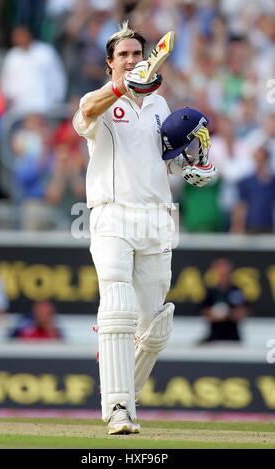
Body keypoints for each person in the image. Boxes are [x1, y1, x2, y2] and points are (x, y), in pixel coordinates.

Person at [73, 22, 217, 435]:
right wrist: (121, 88)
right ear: (110, 63)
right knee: (117, 307)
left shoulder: (160, 105)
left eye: (138, 54)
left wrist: (194, 165)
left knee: (154, 328)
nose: (134, 60)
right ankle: (118, 408)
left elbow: (165, 159)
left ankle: (123, 390)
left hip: (155, 218)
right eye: (124, 56)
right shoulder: (97, 98)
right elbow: (85, 116)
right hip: (111, 214)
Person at [199, 258, 248, 343]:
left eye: (224, 267)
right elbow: (205, 313)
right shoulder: (211, 291)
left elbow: (241, 313)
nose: (222, 271)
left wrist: (227, 313)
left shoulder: (236, 290)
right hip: (214, 335)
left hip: (233, 336)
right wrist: (216, 314)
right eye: (219, 268)